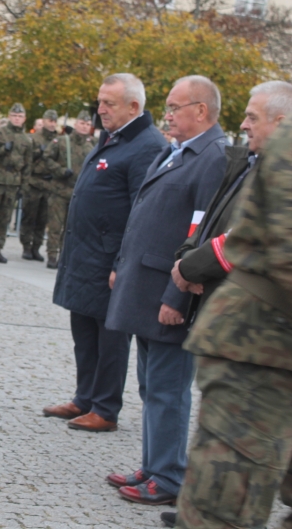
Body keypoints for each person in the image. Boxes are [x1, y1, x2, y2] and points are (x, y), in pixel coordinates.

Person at [158, 81, 292, 529]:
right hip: (259, 352)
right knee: (225, 502)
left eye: (253, 116)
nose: (244, 125)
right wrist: (189, 265)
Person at [105, 75, 227, 506]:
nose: (168, 114)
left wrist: (178, 297)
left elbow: (201, 232)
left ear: (201, 111)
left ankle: (170, 476)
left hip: (169, 293)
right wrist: (121, 266)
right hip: (145, 287)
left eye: (176, 107)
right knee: (150, 386)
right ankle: (154, 465)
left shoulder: (213, 157)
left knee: (168, 390)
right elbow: (146, 213)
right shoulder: (177, 150)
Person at [46, 74, 163, 431]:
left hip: (110, 259)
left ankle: (105, 408)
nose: (100, 109)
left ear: (133, 106)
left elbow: (142, 211)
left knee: (110, 336)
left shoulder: (146, 145)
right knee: (84, 329)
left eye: (109, 103)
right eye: (99, 101)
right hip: (86, 254)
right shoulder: (114, 137)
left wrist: (121, 263)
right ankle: (85, 397)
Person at [0, 103, 33, 263]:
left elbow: (28, 165)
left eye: (20, 116)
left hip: (13, 181)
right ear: (9, 117)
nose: (17, 119)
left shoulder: (27, 140)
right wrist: (1, 150)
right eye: (14, 116)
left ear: (24, 119)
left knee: (5, 217)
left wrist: (24, 186)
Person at [42, 111, 96, 268]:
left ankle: (64, 256)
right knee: (55, 226)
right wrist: (60, 170)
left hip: (77, 193)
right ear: (76, 124)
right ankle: (52, 255)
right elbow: (47, 157)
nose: (84, 127)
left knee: (70, 228)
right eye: (82, 123)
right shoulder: (62, 141)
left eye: (87, 124)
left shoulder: (91, 146)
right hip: (60, 190)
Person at [21, 109, 58, 261]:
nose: (52, 124)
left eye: (54, 121)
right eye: (50, 121)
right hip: (34, 182)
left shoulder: (58, 140)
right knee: (29, 216)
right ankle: (26, 246)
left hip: (49, 184)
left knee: (43, 219)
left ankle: (36, 247)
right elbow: (27, 160)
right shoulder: (34, 138)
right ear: (44, 121)